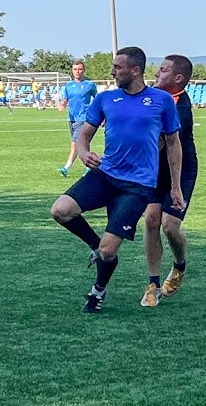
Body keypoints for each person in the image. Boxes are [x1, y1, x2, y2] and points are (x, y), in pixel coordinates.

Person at [50, 46, 184, 313]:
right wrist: (85, 152)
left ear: (135, 70)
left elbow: (173, 143)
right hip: (105, 174)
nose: (112, 72)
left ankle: (97, 292)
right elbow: (83, 135)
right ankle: (93, 244)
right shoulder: (106, 99)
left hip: (137, 186)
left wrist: (175, 187)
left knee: (110, 252)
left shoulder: (161, 100)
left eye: (117, 67)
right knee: (60, 210)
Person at [141, 55, 198, 307]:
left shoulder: (181, 108)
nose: (155, 73)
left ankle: (179, 266)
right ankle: (152, 285)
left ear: (178, 78)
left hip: (181, 170)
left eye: (162, 70)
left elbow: (162, 142)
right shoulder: (150, 95)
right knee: (151, 219)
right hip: (156, 169)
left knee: (170, 226)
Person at [58, 61, 98, 177]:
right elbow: (65, 99)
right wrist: (63, 104)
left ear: (83, 70)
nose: (77, 71)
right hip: (72, 119)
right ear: (72, 70)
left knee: (75, 144)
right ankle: (89, 167)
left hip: (83, 118)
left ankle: (66, 167)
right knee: (82, 143)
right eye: (75, 69)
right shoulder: (68, 86)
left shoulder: (89, 85)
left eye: (80, 69)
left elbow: (97, 99)